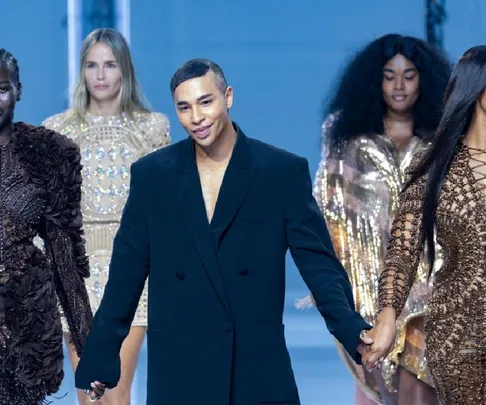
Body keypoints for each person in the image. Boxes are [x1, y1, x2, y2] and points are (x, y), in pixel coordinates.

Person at [74, 58, 373, 405]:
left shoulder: (280, 173)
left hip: (254, 362)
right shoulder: (153, 176)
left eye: (206, 102)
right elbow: (126, 273)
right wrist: (101, 354)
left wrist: (351, 329)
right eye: (184, 108)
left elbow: (320, 266)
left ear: (227, 97)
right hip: (180, 363)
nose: (196, 118)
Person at [295, 34, 451, 405]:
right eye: (389, 75)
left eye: (409, 75)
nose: (399, 86)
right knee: (383, 388)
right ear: (374, 80)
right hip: (368, 283)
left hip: (430, 282)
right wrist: (328, 281)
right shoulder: (348, 140)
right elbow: (329, 207)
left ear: (423, 80)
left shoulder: (441, 140)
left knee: (425, 382)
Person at [42, 28, 170, 405]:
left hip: (132, 272)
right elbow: (47, 214)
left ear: (124, 71)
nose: (100, 75)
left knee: (115, 390)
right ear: (82, 72)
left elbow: (164, 209)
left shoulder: (152, 128)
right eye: (92, 65)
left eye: (110, 65)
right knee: (90, 396)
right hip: (75, 275)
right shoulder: (57, 130)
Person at [365, 45, 486, 405]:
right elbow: (403, 251)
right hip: (457, 330)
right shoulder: (435, 162)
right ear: (478, 91)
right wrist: (387, 315)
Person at [0, 48, 92, 404]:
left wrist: (90, 348)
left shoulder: (48, 154)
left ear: (19, 90)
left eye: (2, 89)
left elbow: (65, 259)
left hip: (26, 328)